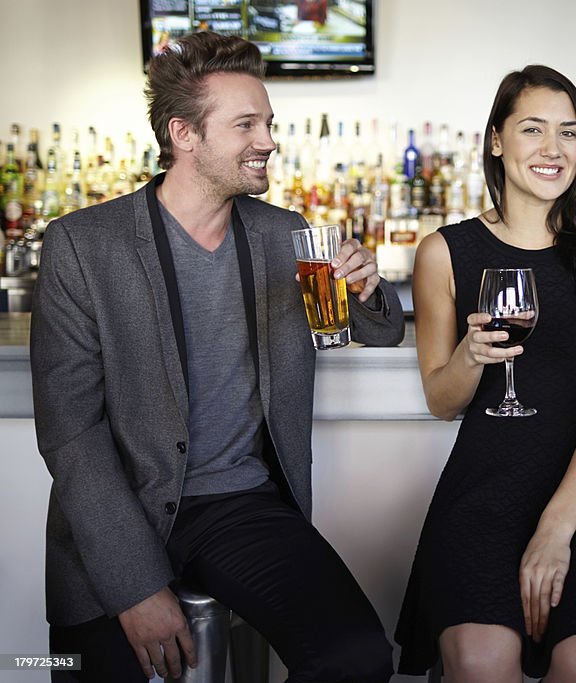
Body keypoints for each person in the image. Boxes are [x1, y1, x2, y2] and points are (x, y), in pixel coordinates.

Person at [31, 32, 402, 683]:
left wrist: (370, 287)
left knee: (358, 657)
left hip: (242, 505)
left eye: (269, 124)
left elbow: (382, 334)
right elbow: (72, 436)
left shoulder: (288, 235)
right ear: (185, 134)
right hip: (125, 507)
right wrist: (135, 587)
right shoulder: (83, 246)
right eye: (246, 125)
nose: (268, 140)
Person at [394, 65, 576, 681]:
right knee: (480, 668)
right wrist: (469, 356)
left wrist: (555, 530)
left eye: (568, 133)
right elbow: (443, 400)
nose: (553, 150)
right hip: (482, 497)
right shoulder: (445, 252)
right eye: (533, 129)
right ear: (496, 140)